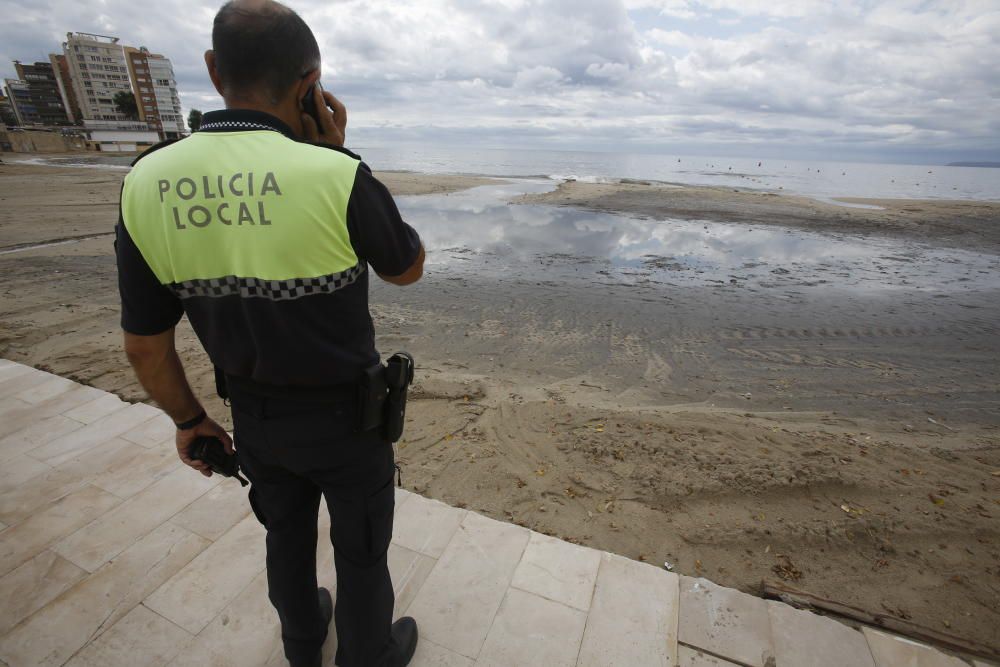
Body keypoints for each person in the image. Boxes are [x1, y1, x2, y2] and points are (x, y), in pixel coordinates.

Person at [115, 1, 424, 665]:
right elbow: (407, 268)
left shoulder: (146, 181)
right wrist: (337, 156)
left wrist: (190, 419)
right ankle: (368, 653)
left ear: (212, 70)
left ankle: (302, 640)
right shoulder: (336, 175)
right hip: (351, 419)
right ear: (311, 84)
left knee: (284, 537)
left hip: (254, 417)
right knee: (362, 547)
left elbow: (146, 343)